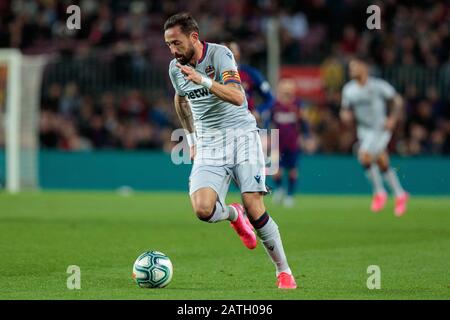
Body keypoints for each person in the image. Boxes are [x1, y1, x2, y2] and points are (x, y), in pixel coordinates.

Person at [164, 12, 296, 289]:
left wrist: (202, 80)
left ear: (194, 37)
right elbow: (180, 99)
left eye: (177, 43)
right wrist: (191, 141)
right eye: (168, 45)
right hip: (209, 144)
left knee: (255, 207)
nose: (173, 51)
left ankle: (283, 271)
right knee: (203, 210)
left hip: (242, 138)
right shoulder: (175, 69)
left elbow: (238, 97)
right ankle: (234, 215)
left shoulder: (220, 55)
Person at [340, 56, 409, 216]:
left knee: (364, 156)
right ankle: (400, 194)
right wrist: (344, 115)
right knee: (382, 161)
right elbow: (345, 108)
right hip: (363, 131)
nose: (351, 71)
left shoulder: (378, 86)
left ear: (364, 68)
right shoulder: (349, 89)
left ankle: (379, 192)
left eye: (355, 67)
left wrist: (392, 118)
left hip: (380, 129)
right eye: (350, 68)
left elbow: (397, 101)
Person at [271, 79, 305, 208]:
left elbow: (303, 122)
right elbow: (268, 121)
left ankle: (290, 195)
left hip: (292, 142)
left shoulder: (297, 104)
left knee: (292, 170)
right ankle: (279, 189)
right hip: (275, 141)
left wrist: (307, 136)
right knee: (276, 170)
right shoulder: (274, 104)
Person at [225, 41, 275, 127]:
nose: (230, 53)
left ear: (239, 53)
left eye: (233, 50)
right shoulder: (213, 76)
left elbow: (270, 98)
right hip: (224, 124)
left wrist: (259, 111)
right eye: (227, 50)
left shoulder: (250, 73)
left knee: (272, 136)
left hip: (247, 124)